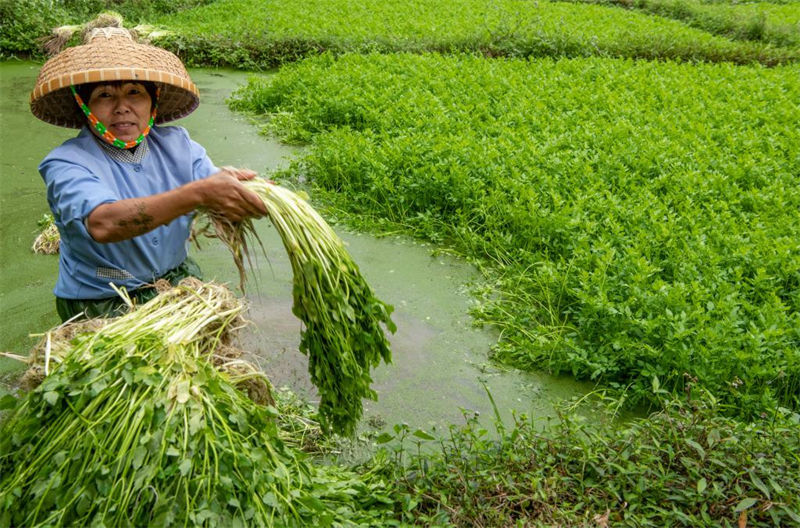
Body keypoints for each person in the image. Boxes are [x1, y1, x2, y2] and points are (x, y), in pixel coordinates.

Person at [30, 21, 267, 322]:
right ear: (83, 105)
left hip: (177, 284)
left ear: (153, 100)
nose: (122, 107)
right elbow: (103, 223)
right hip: (103, 300)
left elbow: (212, 186)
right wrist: (198, 194)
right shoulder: (66, 162)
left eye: (134, 92)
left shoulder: (178, 144)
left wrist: (243, 191)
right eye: (104, 95)